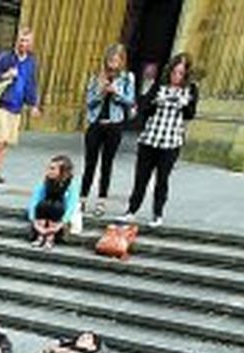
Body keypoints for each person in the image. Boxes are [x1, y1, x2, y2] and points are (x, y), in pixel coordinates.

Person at [121, 53, 198, 227]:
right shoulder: (159, 86)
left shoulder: (190, 90)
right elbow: (144, 107)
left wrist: (185, 103)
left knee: (162, 179)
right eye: (174, 72)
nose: (176, 76)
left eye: (181, 73)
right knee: (141, 177)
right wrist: (156, 101)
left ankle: (157, 214)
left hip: (171, 141)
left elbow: (190, 114)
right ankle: (131, 210)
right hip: (150, 138)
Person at [81, 44, 136, 216]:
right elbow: (89, 102)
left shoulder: (127, 78)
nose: (113, 63)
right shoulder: (96, 77)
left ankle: (101, 201)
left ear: (122, 61)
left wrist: (116, 92)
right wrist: (101, 93)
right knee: (90, 163)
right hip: (96, 124)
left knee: (107, 164)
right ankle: (82, 199)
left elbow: (130, 100)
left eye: (116, 60)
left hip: (114, 125)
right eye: (110, 59)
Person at [0, 29, 42, 184]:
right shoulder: (6, 58)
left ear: (31, 43)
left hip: (17, 106)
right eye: (21, 40)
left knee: (7, 140)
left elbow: (31, 84)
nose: (23, 43)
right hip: (3, 103)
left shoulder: (31, 62)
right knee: (0, 138)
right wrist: (6, 75)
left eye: (27, 41)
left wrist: (33, 104)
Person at [27, 154, 79, 247]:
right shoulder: (46, 182)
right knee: (43, 205)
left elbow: (71, 206)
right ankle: (40, 236)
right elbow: (34, 201)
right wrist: (34, 220)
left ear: (63, 171)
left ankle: (50, 238)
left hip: (60, 215)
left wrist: (61, 223)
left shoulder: (71, 185)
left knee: (56, 207)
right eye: (49, 168)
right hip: (45, 213)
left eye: (52, 169)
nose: (48, 171)